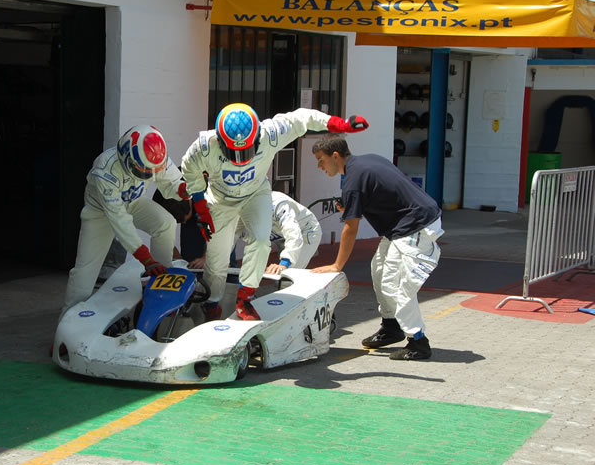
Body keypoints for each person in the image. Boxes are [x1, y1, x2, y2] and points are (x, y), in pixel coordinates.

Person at [180, 103, 368, 321]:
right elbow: (190, 172)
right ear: (219, 139)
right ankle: (212, 302)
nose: (240, 157)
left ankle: (245, 297)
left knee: (260, 241)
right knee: (217, 256)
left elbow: (302, 118)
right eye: (233, 151)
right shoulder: (203, 147)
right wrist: (201, 207)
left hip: (255, 194)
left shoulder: (271, 133)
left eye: (246, 150)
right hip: (220, 200)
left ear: (257, 136)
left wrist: (338, 123)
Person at [310, 134, 443, 360]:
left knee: (396, 285)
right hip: (400, 228)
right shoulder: (365, 162)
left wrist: (337, 265)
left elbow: (350, 229)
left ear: (335, 156)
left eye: (321, 160)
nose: (319, 166)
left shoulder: (353, 181)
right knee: (380, 271)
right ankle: (391, 327)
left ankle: (418, 342)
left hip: (417, 225)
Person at [61, 125, 189, 315]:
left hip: (133, 202)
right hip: (101, 213)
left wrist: (184, 190)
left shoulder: (154, 155)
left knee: (165, 223)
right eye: (143, 170)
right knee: (84, 273)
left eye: (151, 170)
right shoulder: (105, 169)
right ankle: (66, 323)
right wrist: (146, 259)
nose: (148, 174)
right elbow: (119, 219)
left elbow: (171, 182)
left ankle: (161, 285)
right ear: (126, 156)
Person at [235, 191, 322, 275]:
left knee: (286, 276)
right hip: (280, 234)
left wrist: (284, 264)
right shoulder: (239, 212)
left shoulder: (278, 204)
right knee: (277, 276)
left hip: (306, 231)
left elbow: (293, 234)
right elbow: (230, 239)